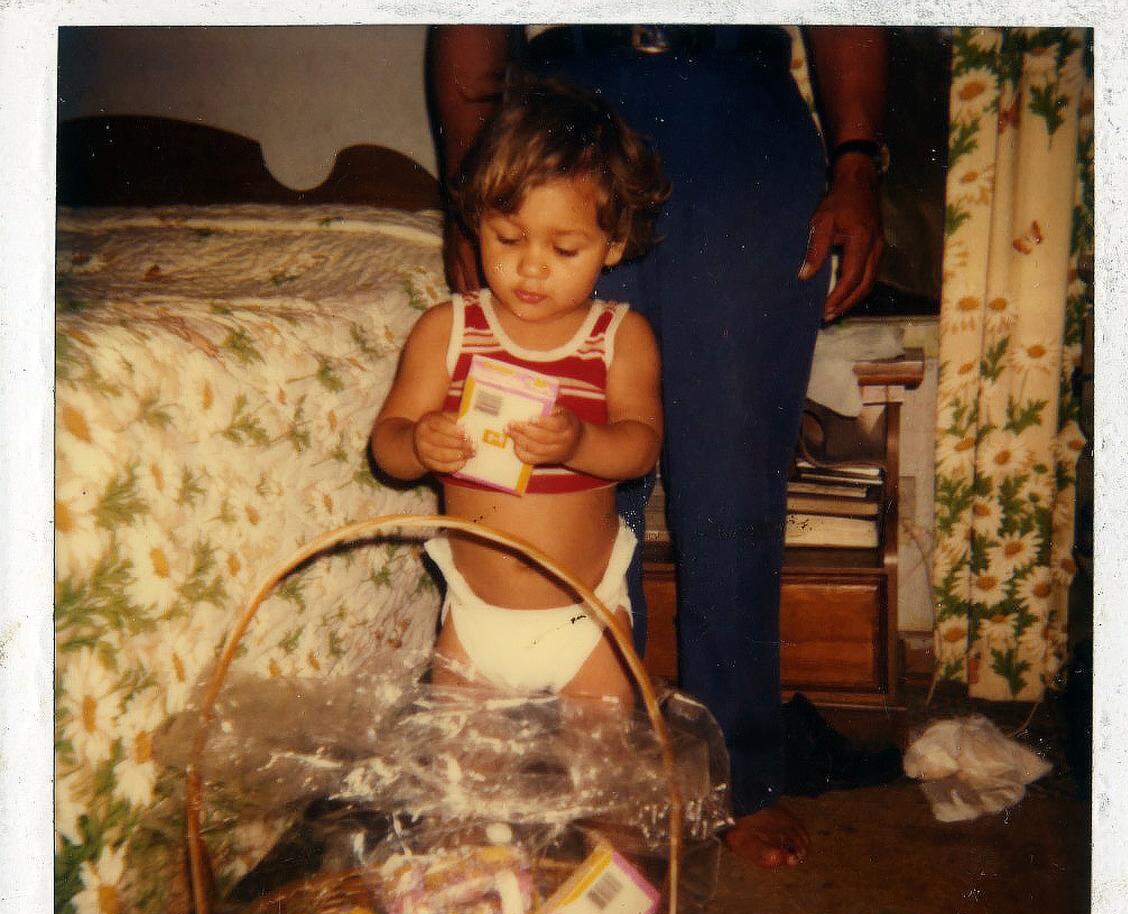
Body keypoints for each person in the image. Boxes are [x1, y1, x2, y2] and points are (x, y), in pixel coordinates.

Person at [428, 24, 889, 868]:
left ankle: (738, 773)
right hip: (566, 103)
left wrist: (856, 158)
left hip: (738, 114)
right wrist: (470, 182)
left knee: (736, 475)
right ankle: (592, 772)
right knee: (562, 464)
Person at [371, 77, 670, 703]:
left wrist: (579, 442)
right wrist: (419, 443)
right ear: (477, 219)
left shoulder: (620, 336)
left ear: (612, 246)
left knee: (605, 772)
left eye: (564, 248)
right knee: (464, 783)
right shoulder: (447, 330)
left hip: (584, 616)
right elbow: (387, 449)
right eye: (508, 239)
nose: (532, 266)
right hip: (475, 617)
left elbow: (641, 448)